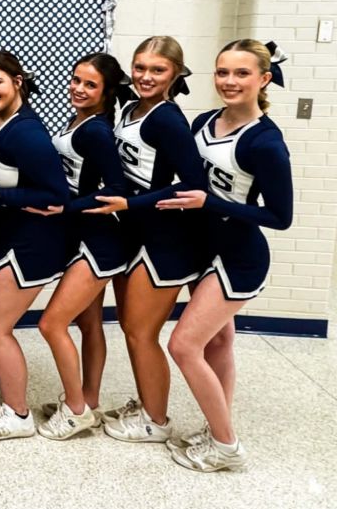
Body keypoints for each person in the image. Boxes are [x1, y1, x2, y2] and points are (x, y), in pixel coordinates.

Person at [158, 39, 292, 472]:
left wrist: (209, 203)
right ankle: (218, 426)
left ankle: (226, 447)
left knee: (183, 345)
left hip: (238, 256)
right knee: (218, 341)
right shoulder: (203, 121)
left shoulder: (265, 143)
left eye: (241, 73)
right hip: (203, 249)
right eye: (222, 72)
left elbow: (280, 216)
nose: (229, 81)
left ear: (264, 79)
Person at [85, 35, 206, 443]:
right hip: (135, 230)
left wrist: (130, 203)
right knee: (131, 327)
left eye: (158, 69)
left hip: (164, 238)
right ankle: (147, 403)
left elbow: (194, 184)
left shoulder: (167, 119)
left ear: (175, 73)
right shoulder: (131, 108)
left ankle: (156, 420)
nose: (146, 76)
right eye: (140, 67)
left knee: (142, 332)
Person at [0, 51, 70, 441]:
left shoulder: (26, 133)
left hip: (31, 240)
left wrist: (1, 198)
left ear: (17, 82)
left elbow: (56, 195)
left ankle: (17, 413)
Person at [30, 53, 130, 440]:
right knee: (88, 323)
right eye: (76, 80)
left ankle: (75, 411)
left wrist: (65, 208)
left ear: (106, 91)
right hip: (80, 234)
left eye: (90, 84)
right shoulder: (80, 121)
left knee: (51, 323)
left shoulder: (97, 131)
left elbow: (117, 188)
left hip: (98, 241)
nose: (79, 88)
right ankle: (89, 400)